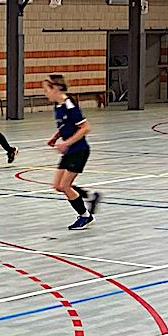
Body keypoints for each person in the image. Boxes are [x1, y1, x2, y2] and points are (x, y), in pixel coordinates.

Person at [42, 74, 101, 230]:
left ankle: (85, 216)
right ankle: (89, 196)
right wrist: (56, 137)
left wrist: (66, 143)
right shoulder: (58, 105)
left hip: (79, 150)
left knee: (65, 186)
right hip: (70, 151)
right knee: (58, 186)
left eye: (46, 90)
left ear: (56, 88)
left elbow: (85, 127)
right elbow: (66, 126)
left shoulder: (70, 105)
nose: (45, 94)